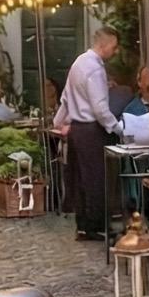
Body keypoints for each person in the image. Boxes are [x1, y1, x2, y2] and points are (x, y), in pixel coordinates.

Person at [53, 26, 121, 240]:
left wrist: (58, 121)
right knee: (96, 179)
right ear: (104, 44)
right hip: (91, 130)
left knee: (80, 179)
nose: (116, 51)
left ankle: (83, 225)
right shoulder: (95, 69)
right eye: (114, 47)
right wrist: (118, 128)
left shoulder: (78, 63)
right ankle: (97, 226)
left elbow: (65, 97)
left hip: (76, 130)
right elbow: (100, 108)